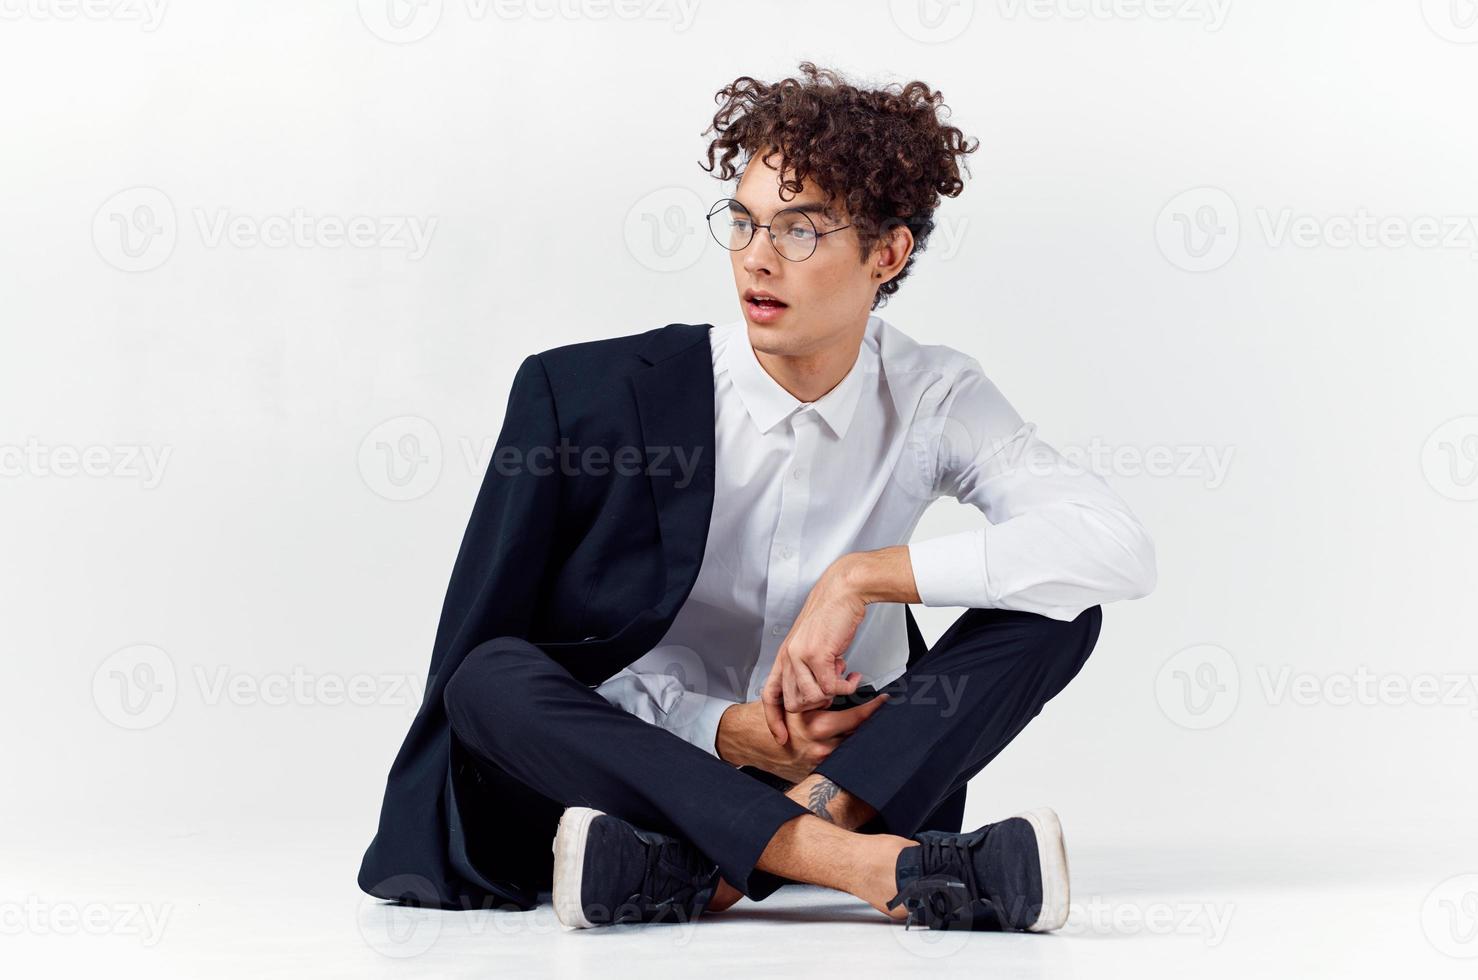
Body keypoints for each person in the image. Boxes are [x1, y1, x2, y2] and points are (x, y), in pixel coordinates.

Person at [358, 62, 1156, 933]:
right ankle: (860, 865)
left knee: (1059, 607)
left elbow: (1114, 545)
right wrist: (722, 729)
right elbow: (483, 665)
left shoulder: (934, 396)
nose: (758, 260)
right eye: (742, 223)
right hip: (630, 773)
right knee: (489, 678)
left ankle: (702, 876)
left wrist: (864, 576)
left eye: (801, 231)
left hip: (852, 768)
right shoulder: (586, 393)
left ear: (886, 254)